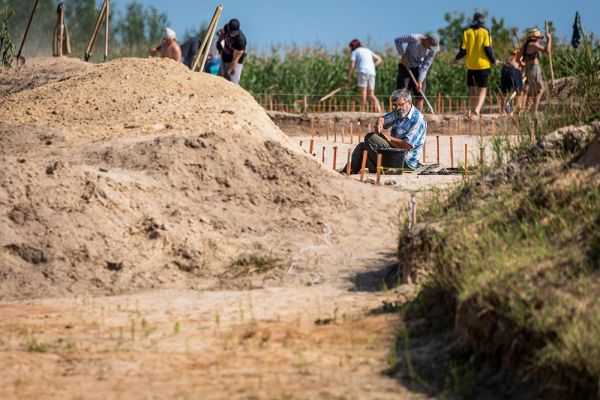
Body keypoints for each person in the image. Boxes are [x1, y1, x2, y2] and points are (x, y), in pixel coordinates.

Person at [344, 89, 427, 173]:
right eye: (395, 105)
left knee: (370, 138)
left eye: (400, 104)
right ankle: (347, 172)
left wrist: (388, 138)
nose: (397, 108)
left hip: (405, 160)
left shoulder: (418, 120)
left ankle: (376, 167)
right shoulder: (398, 112)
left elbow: (406, 145)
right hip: (394, 152)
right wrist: (379, 124)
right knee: (362, 146)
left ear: (409, 102)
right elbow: (383, 119)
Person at [455, 12, 498, 117]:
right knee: (483, 89)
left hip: (471, 65)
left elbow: (463, 51)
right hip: (483, 65)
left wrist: (455, 59)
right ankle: (477, 110)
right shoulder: (485, 31)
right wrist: (493, 60)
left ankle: (472, 109)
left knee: (472, 89)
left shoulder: (467, 32)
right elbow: (487, 48)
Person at [394, 32, 440, 112]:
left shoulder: (432, 50)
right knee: (402, 92)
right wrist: (402, 54)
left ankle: (418, 117)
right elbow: (397, 40)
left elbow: (426, 65)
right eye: (430, 46)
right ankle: (401, 115)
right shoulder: (414, 38)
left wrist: (420, 80)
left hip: (419, 68)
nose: (431, 49)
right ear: (426, 40)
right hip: (406, 66)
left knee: (420, 93)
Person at [345, 39, 382, 113]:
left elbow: (352, 66)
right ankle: (380, 112)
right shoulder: (367, 50)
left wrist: (348, 77)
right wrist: (372, 66)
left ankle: (363, 111)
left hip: (363, 72)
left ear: (353, 46)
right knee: (371, 94)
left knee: (363, 92)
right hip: (372, 73)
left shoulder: (355, 52)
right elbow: (379, 59)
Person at [520, 28, 551, 114]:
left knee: (531, 91)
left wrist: (523, 65)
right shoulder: (534, 45)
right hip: (534, 68)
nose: (539, 40)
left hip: (527, 69)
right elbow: (547, 50)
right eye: (538, 38)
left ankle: (527, 109)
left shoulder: (524, 46)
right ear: (534, 38)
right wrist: (549, 40)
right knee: (541, 89)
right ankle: (535, 110)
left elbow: (518, 58)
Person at [217, 18, 247, 85]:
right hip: (226, 55)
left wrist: (227, 73)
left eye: (234, 33)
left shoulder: (241, 41)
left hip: (236, 60)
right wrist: (219, 42)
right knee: (219, 78)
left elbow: (235, 59)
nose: (232, 35)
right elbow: (222, 33)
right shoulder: (226, 27)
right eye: (231, 33)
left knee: (233, 82)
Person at [500, 49, 524, 115]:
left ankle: (502, 112)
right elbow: (522, 69)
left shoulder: (508, 58)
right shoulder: (520, 57)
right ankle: (517, 111)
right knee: (519, 92)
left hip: (504, 70)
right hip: (514, 70)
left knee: (504, 92)